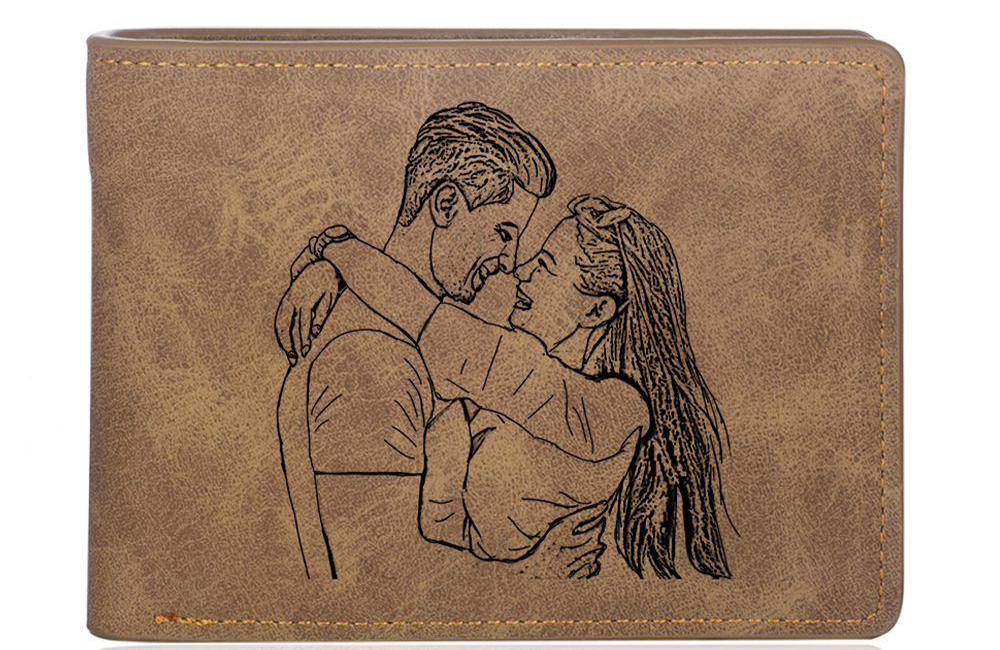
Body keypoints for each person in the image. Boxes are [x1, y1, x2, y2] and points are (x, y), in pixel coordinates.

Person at [291, 195, 733, 581]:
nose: (521, 272)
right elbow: (443, 527)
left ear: (596, 310)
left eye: (545, 266)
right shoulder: (511, 401)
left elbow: (427, 318)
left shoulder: (615, 411)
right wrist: (328, 272)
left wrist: (335, 248)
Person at [275, 102, 557, 578]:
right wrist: (539, 572)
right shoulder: (372, 360)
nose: (509, 261)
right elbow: (384, 583)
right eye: (503, 233)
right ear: (446, 205)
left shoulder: (393, 341)